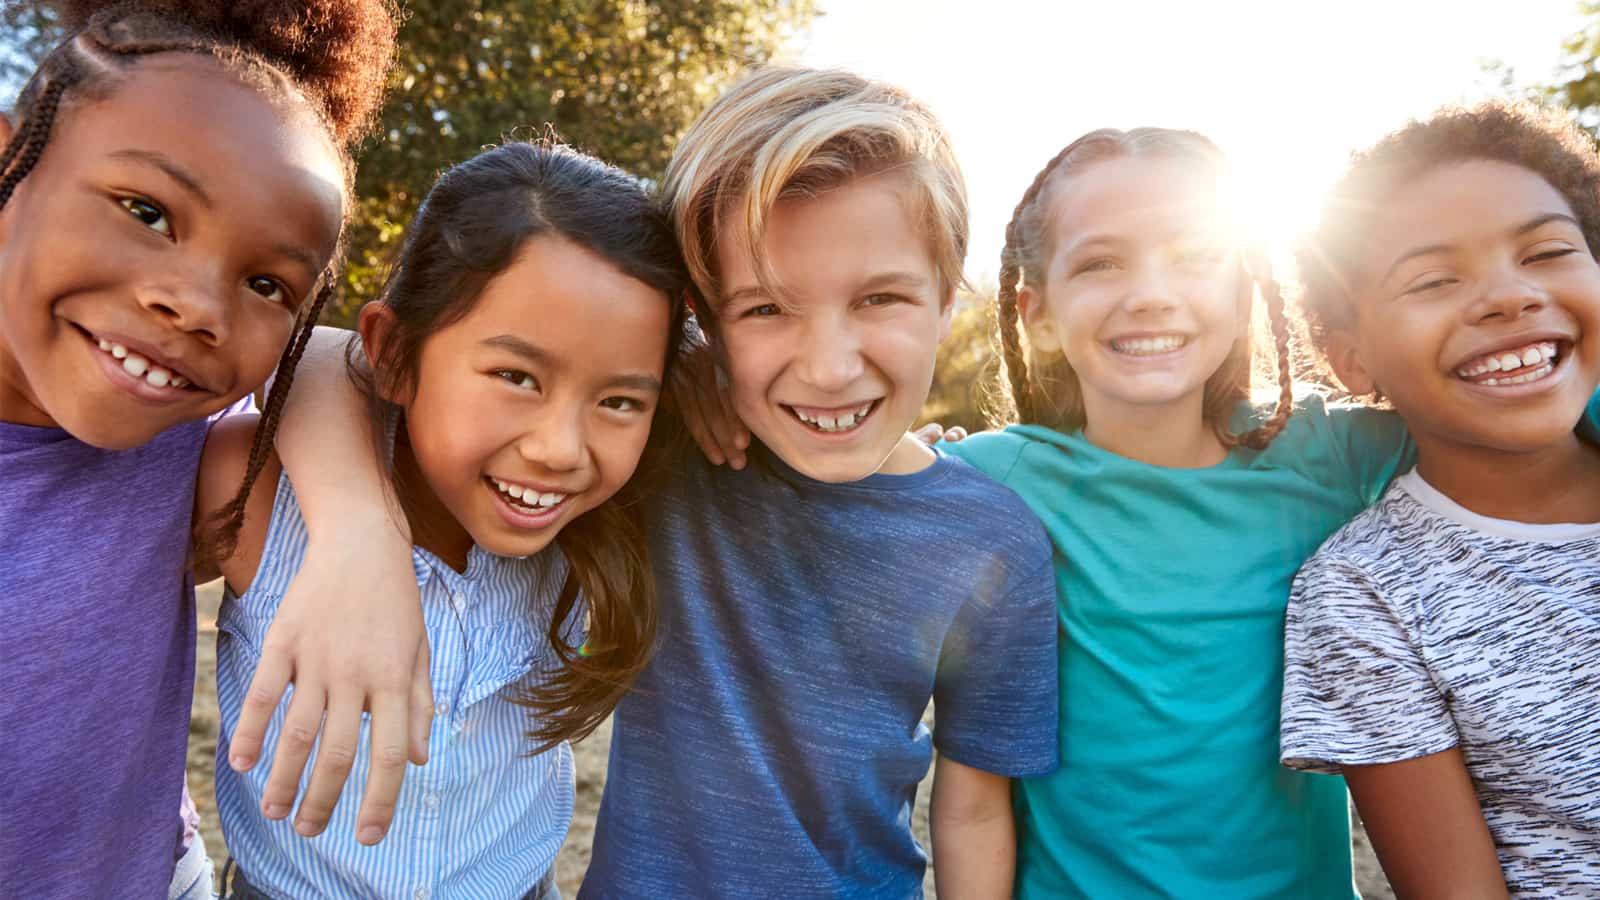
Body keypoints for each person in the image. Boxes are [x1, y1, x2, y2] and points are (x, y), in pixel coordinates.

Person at [273, 66, 1060, 899]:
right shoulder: (657, 450)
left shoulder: (994, 541)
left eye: (881, 298)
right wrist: (357, 531)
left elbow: (974, 811)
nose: (829, 368)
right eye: (765, 308)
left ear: (948, 296)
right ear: (705, 320)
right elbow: (323, 357)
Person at [199, 140, 689, 900]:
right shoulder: (260, 492)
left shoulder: (612, 519)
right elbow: (308, 353)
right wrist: (359, 533)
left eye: (619, 400)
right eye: (516, 376)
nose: (561, 450)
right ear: (395, 356)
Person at [0, 1, 401, 895]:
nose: (196, 308)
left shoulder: (176, 437)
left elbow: (329, 361)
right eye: (147, 212)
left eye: (267, 283)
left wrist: (361, 537)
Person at [1280, 101, 1600, 898]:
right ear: (1350, 356)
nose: (1509, 296)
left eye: (1548, 251)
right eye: (1433, 280)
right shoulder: (1362, 594)